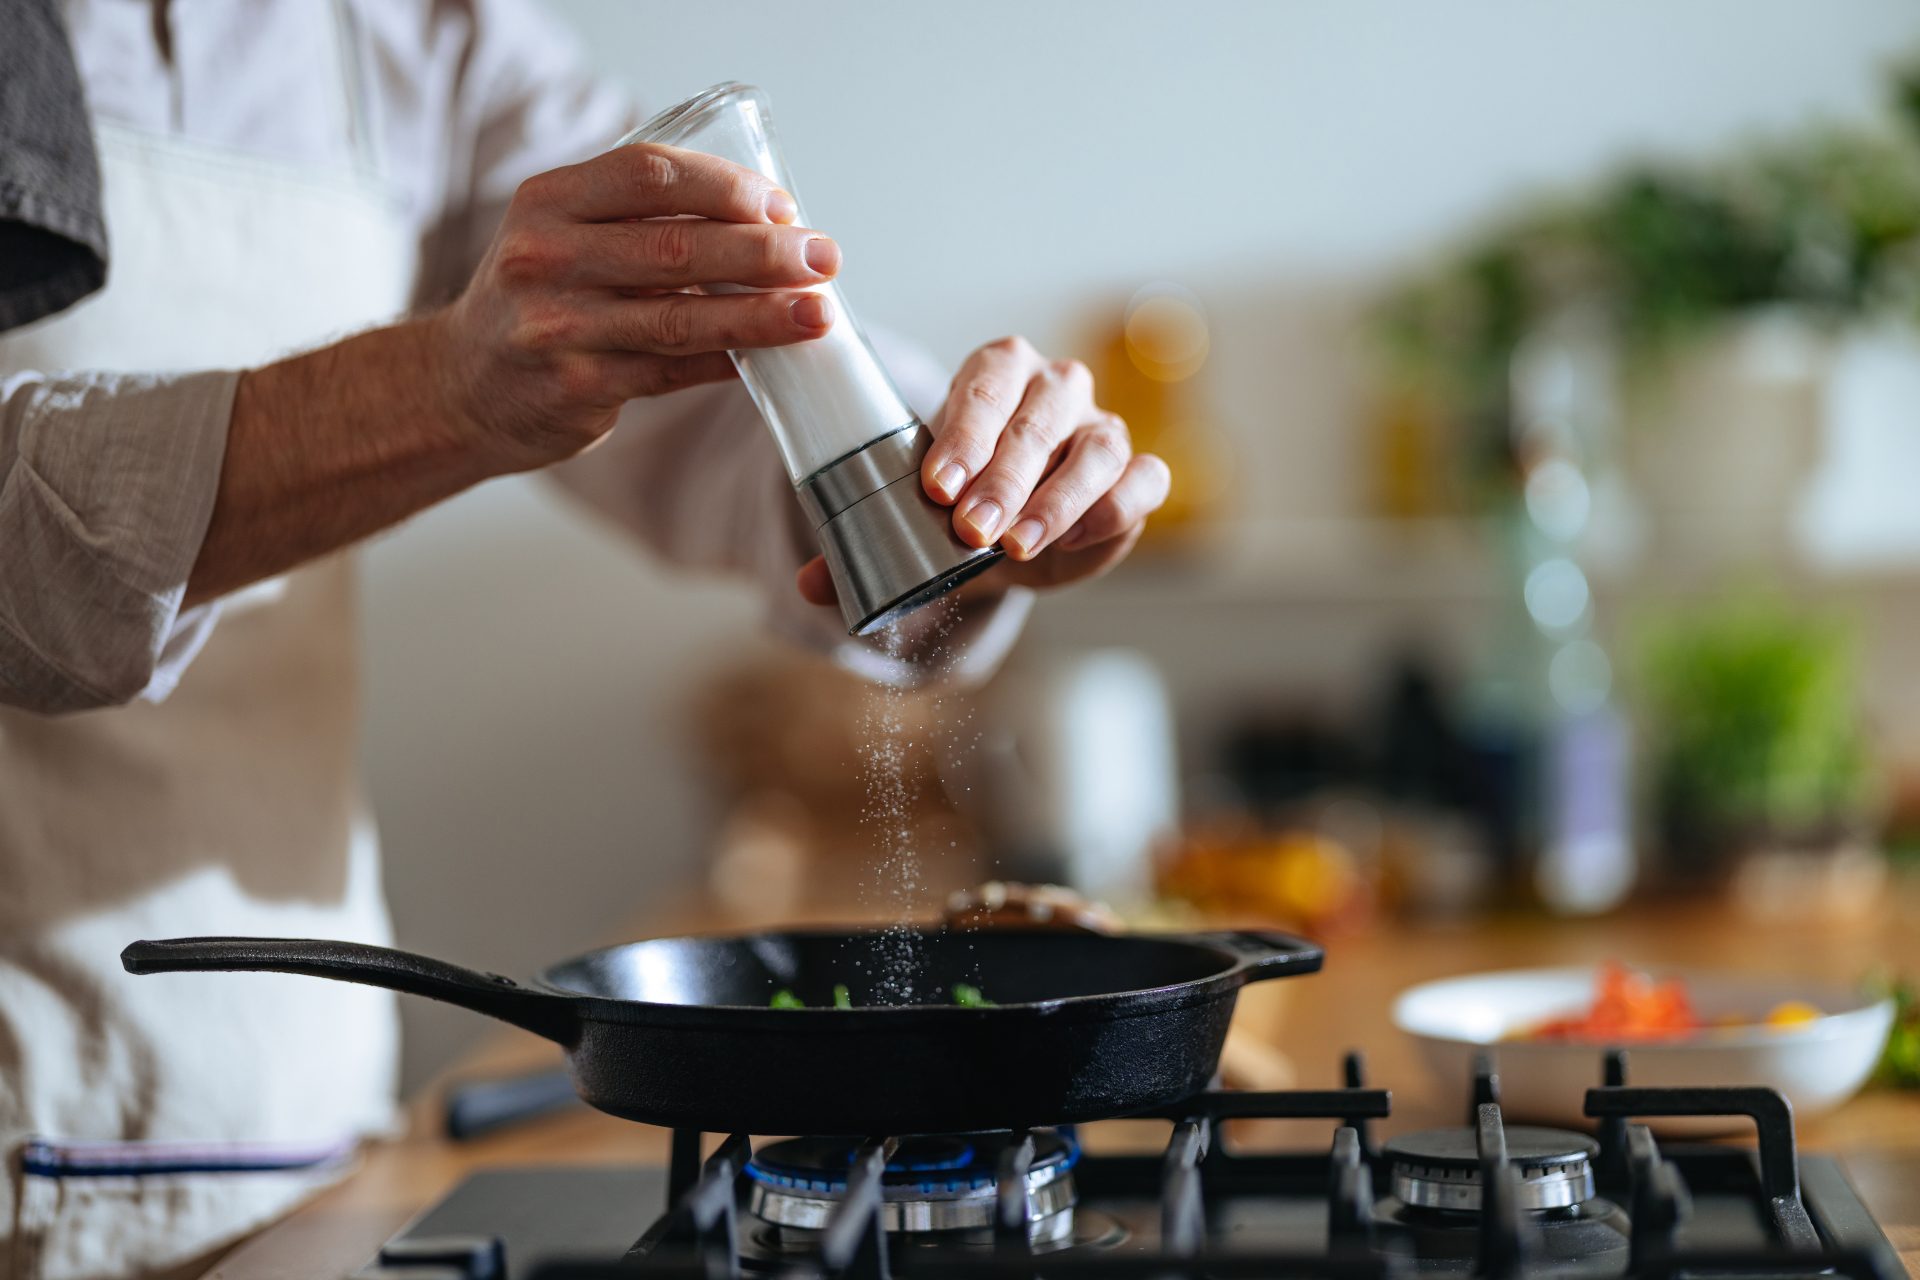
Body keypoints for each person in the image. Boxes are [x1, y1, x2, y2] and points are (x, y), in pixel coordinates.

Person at [0, 2, 1170, 1276]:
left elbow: (693, 365)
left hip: (295, 1112)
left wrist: (957, 485)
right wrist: (442, 390)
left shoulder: (414, 34)